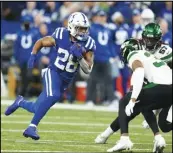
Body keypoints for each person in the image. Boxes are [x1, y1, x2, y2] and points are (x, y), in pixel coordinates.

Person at [4, 12, 96, 140]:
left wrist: (79, 57)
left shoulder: (89, 43)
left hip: (65, 80)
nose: (83, 32)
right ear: (72, 26)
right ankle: (31, 127)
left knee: (38, 107)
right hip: (53, 72)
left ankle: (20, 102)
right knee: (54, 95)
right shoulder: (61, 34)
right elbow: (41, 42)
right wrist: (33, 55)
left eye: (85, 29)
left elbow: (88, 69)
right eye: (80, 28)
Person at [96, 38, 172, 152]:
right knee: (142, 107)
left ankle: (124, 139)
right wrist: (105, 134)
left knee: (124, 102)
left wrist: (132, 99)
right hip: (168, 88)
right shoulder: (148, 57)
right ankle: (158, 138)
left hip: (163, 86)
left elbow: (139, 71)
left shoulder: (134, 54)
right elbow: (131, 112)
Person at [86, 9, 117, 106]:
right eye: (100, 16)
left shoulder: (108, 29)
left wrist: (114, 55)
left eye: (103, 16)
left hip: (106, 58)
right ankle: (90, 100)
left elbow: (110, 44)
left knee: (108, 80)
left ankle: (111, 100)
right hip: (96, 58)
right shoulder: (92, 28)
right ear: (97, 17)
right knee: (92, 79)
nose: (102, 18)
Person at [13, 14, 40, 97]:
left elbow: (38, 46)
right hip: (22, 59)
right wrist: (16, 58)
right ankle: (23, 93)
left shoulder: (35, 33)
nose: (27, 23)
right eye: (25, 22)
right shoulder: (19, 33)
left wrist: (36, 58)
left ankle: (24, 92)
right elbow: (16, 47)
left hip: (30, 59)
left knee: (29, 76)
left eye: (28, 22)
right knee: (23, 76)